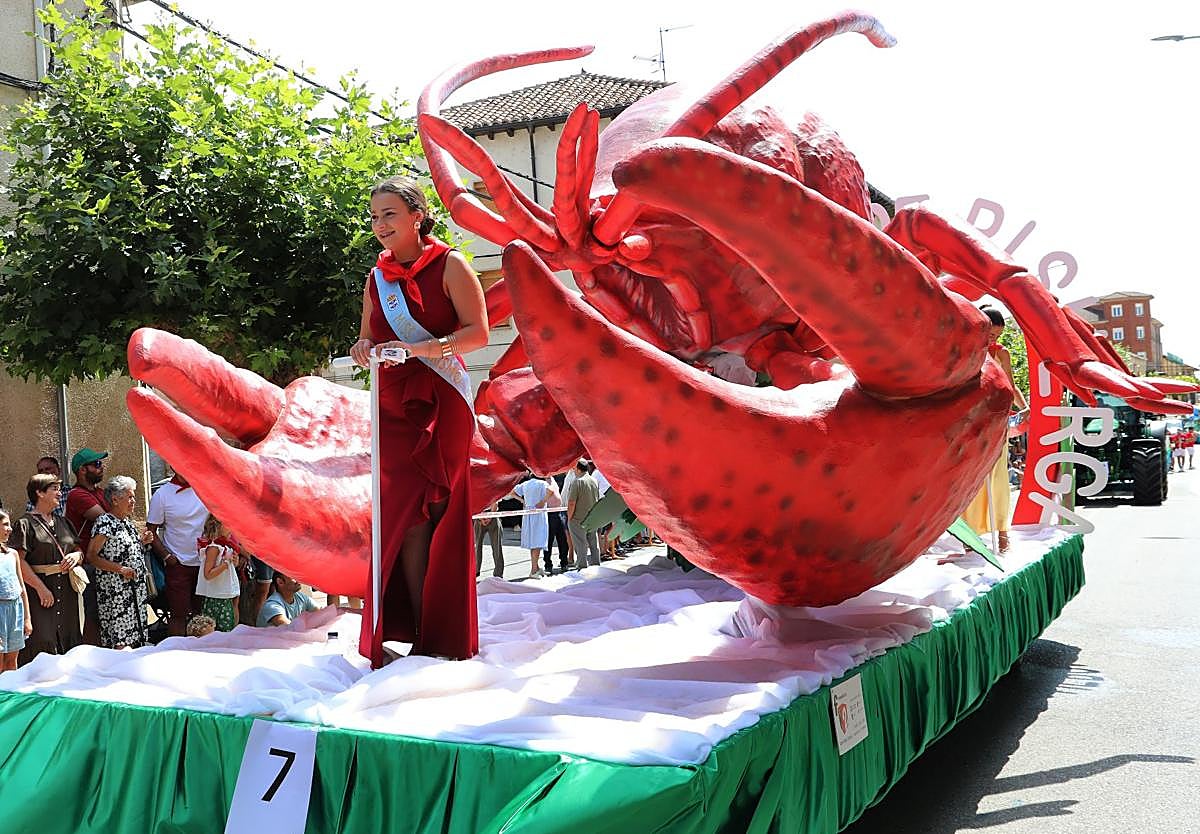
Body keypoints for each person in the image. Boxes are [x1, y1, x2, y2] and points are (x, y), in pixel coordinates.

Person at [349, 176, 488, 665]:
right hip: (394, 407)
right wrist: (362, 348)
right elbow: (366, 338)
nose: (379, 224)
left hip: (442, 400)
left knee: (440, 511)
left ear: (417, 216)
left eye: (389, 214)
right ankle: (411, 635)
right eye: (374, 217)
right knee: (404, 517)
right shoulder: (377, 279)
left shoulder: (451, 264)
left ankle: (442, 637)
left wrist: (428, 348)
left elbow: (479, 334)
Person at [963, 306, 1029, 552]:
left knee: (999, 476)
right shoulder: (965, 350)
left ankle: (1002, 532)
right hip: (970, 423)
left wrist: (1025, 407)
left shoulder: (1001, 353)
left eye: (998, 336)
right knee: (971, 478)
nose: (993, 340)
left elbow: (1010, 386)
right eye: (991, 334)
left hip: (996, 422)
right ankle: (970, 536)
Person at [9, 474, 85, 664]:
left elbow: (78, 550)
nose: (60, 493)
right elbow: (18, 561)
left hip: (67, 593)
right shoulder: (25, 524)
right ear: (39, 493)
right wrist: (40, 588)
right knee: (42, 638)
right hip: (39, 594)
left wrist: (77, 557)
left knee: (68, 636)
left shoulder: (64, 522)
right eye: (54, 489)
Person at [85, 476, 151, 650]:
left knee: (135, 639)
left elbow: (126, 551)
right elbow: (92, 556)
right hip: (116, 593)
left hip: (134, 591)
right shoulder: (105, 522)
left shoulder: (127, 523)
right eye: (130, 497)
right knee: (121, 642)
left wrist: (142, 542)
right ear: (115, 500)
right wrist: (120, 569)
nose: (133, 501)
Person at [147, 470, 209, 636]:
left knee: (202, 616)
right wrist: (167, 557)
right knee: (178, 614)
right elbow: (151, 530)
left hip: (206, 564)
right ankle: (176, 650)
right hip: (178, 565)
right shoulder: (162, 495)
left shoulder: (205, 488)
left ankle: (202, 649)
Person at [65, 447, 110, 645]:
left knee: (105, 614)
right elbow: (106, 520)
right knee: (93, 615)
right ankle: (90, 653)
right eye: (97, 464)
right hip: (89, 563)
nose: (101, 467)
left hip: (104, 562)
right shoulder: (77, 495)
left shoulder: (100, 492)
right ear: (82, 470)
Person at [196, 514, 241, 632]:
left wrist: (234, 562)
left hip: (226, 593)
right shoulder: (213, 548)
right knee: (217, 630)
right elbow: (208, 574)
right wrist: (226, 564)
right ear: (218, 526)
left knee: (230, 626)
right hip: (216, 597)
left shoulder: (226, 545)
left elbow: (230, 567)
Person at [0, 511, 33, 671]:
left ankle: (10, 688)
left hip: (15, 611)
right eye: (5, 524)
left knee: (11, 662)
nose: (10, 529)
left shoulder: (12, 554)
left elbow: (21, 588)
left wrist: (27, 618)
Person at [510, 475, 552, 578]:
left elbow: (512, 492)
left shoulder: (526, 484)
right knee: (538, 541)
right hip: (538, 514)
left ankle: (536, 567)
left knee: (534, 542)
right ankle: (533, 570)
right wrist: (542, 501)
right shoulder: (542, 483)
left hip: (528, 514)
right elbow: (551, 491)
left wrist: (522, 500)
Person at [566, 459, 602, 569]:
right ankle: (596, 565)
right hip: (592, 517)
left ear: (577, 469)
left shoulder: (577, 482)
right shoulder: (594, 480)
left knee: (580, 544)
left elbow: (571, 503)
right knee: (593, 543)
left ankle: (582, 566)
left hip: (578, 518)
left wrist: (569, 517)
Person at [474, 502, 503, 578]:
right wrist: (481, 518)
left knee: (497, 547)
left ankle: (498, 573)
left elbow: (495, 502)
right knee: (477, 546)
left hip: (492, 515)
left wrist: (489, 517)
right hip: (478, 517)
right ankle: (475, 571)